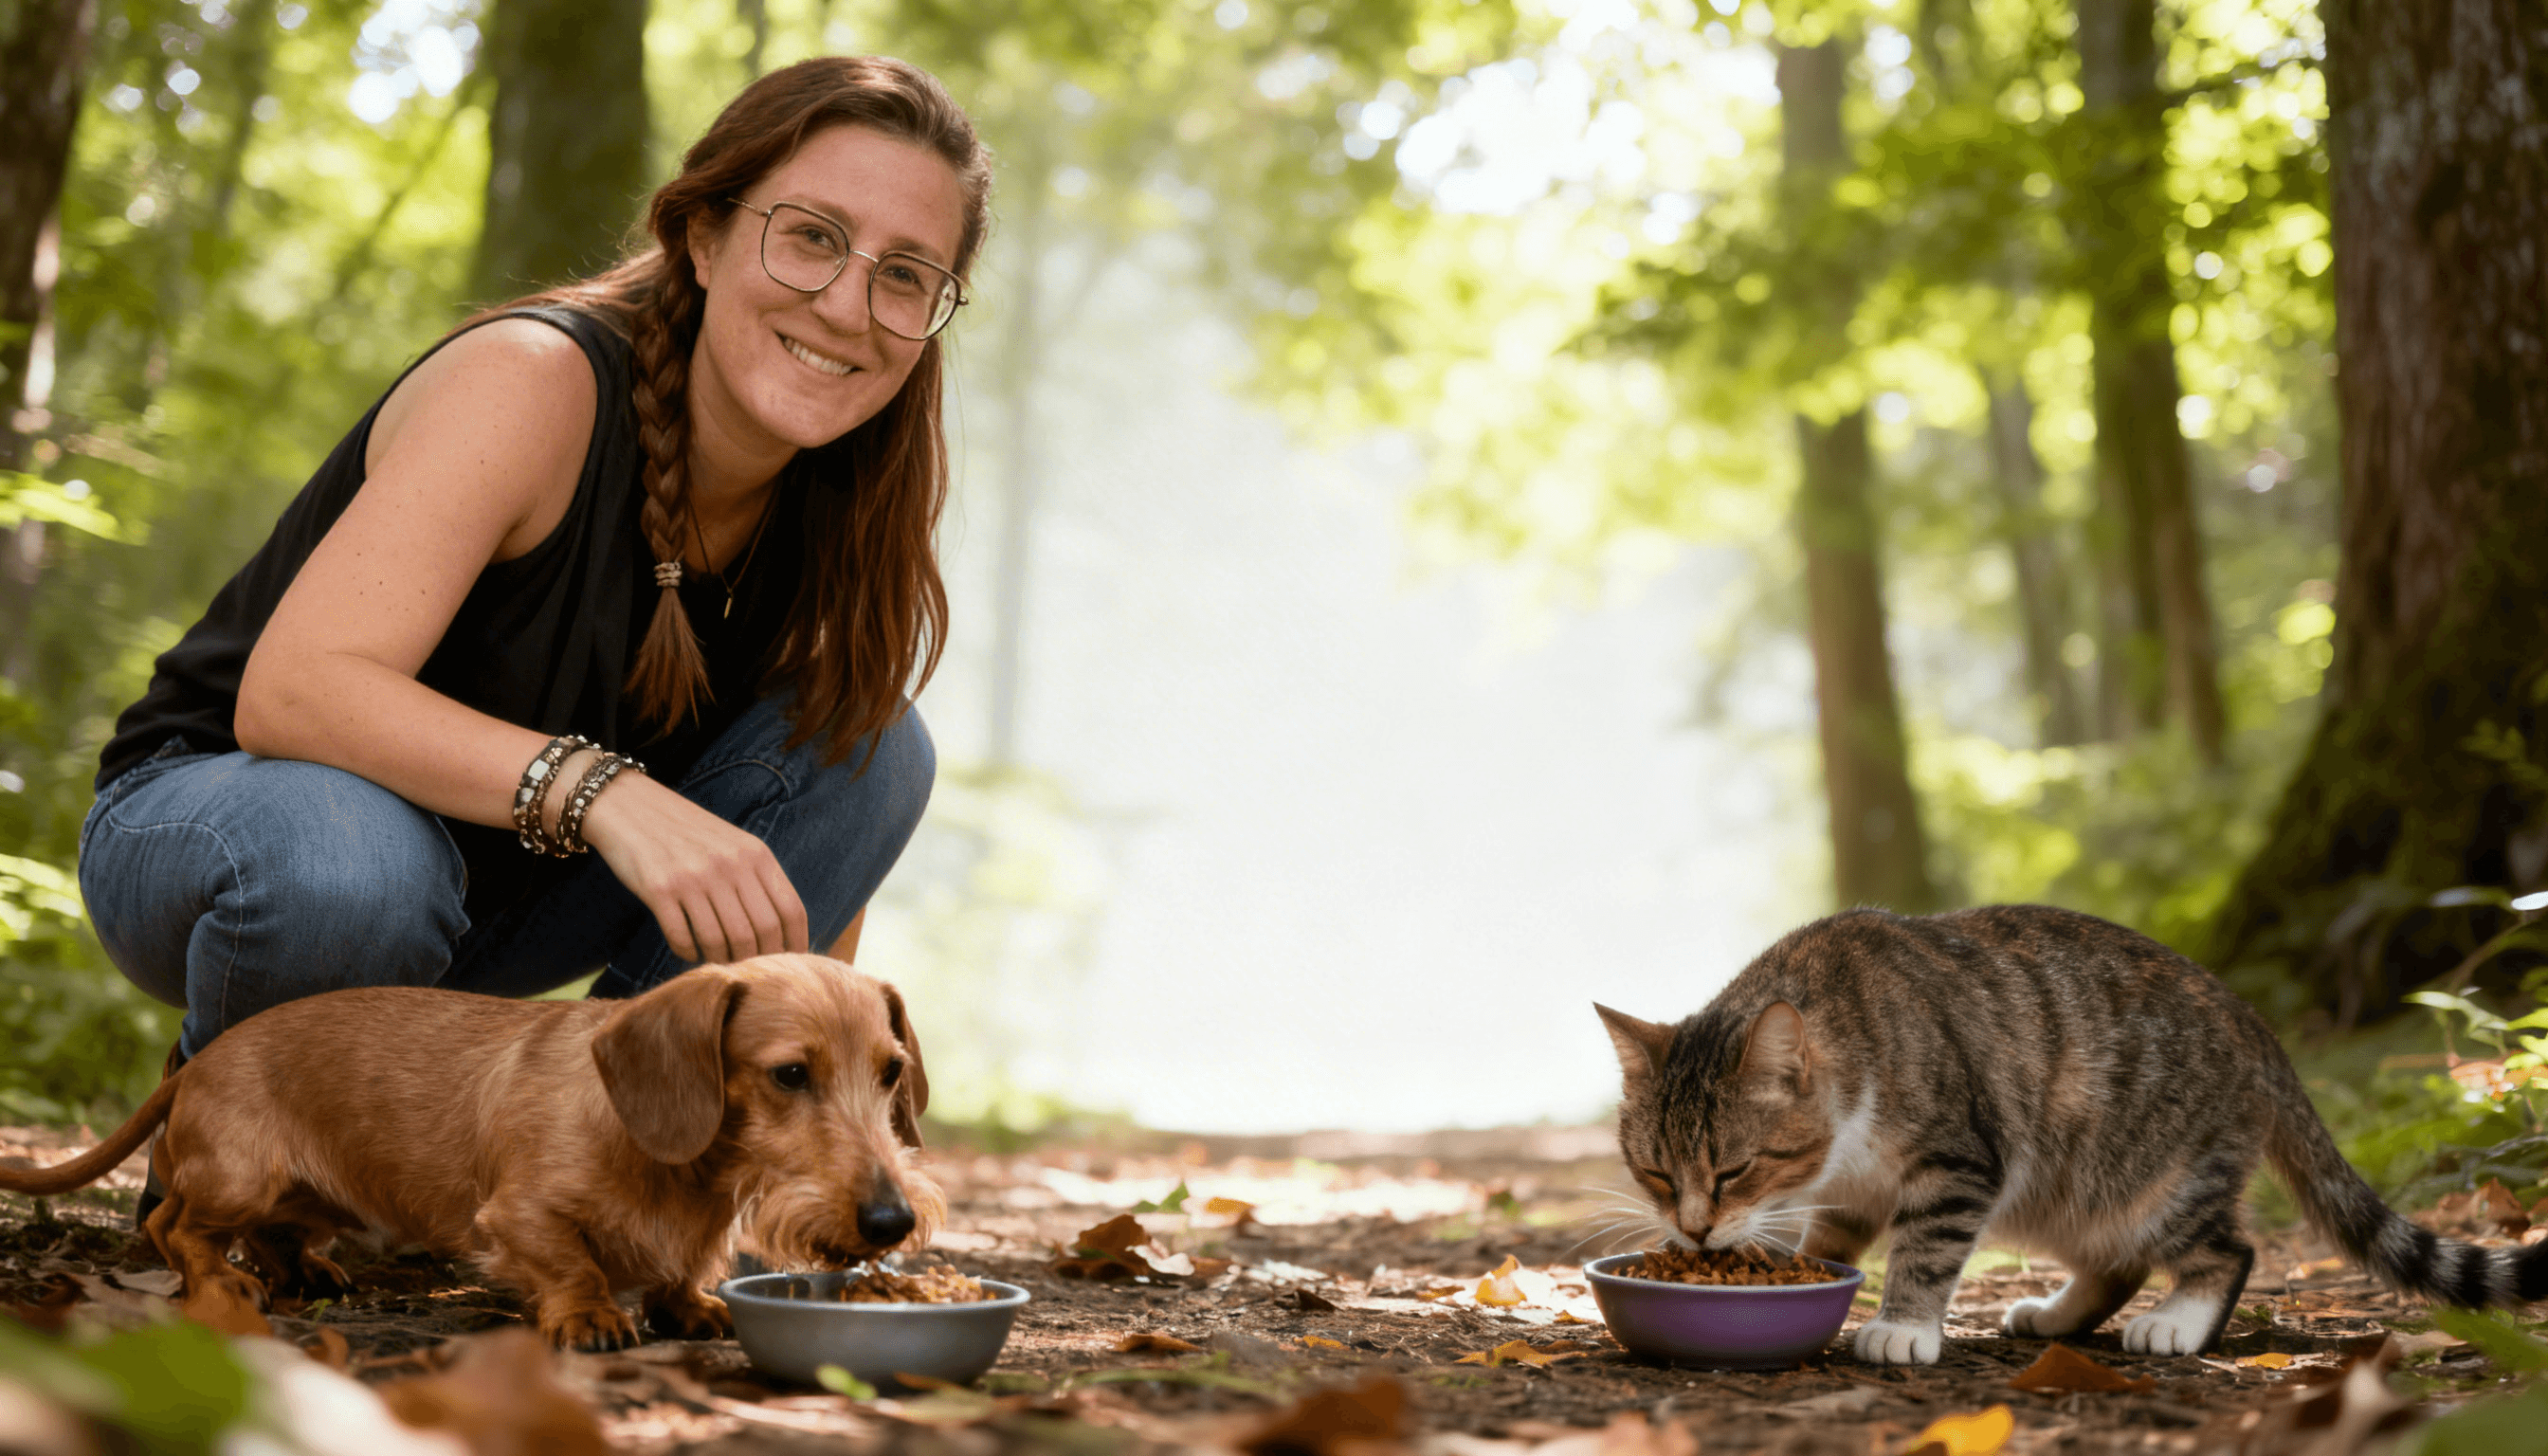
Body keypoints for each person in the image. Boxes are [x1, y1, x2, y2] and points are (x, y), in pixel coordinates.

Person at [77, 57, 990, 1079]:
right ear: (704, 234)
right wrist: (608, 792)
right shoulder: (534, 379)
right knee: (355, 865)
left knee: (871, 744)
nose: (848, 305)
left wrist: (821, 1092)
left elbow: (818, 858)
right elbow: (294, 694)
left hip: (489, 910)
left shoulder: (847, 489)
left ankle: (629, 1158)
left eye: (904, 274)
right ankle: (235, 1139)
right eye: (813, 236)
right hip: (239, 841)